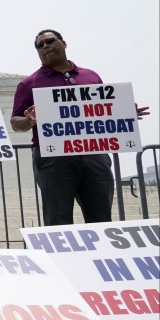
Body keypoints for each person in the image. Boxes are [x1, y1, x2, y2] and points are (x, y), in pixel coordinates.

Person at [10, 29, 150, 226]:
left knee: (101, 219)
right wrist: (30, 120)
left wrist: (122, 112)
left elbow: (102, 108)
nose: (45, 46)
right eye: (40, 46)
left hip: (94, 155)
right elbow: (15, 122)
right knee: (57, 220)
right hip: (53, 159)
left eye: (50, 41)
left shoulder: (91, 76)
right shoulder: (29, 83)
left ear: (64, 43)